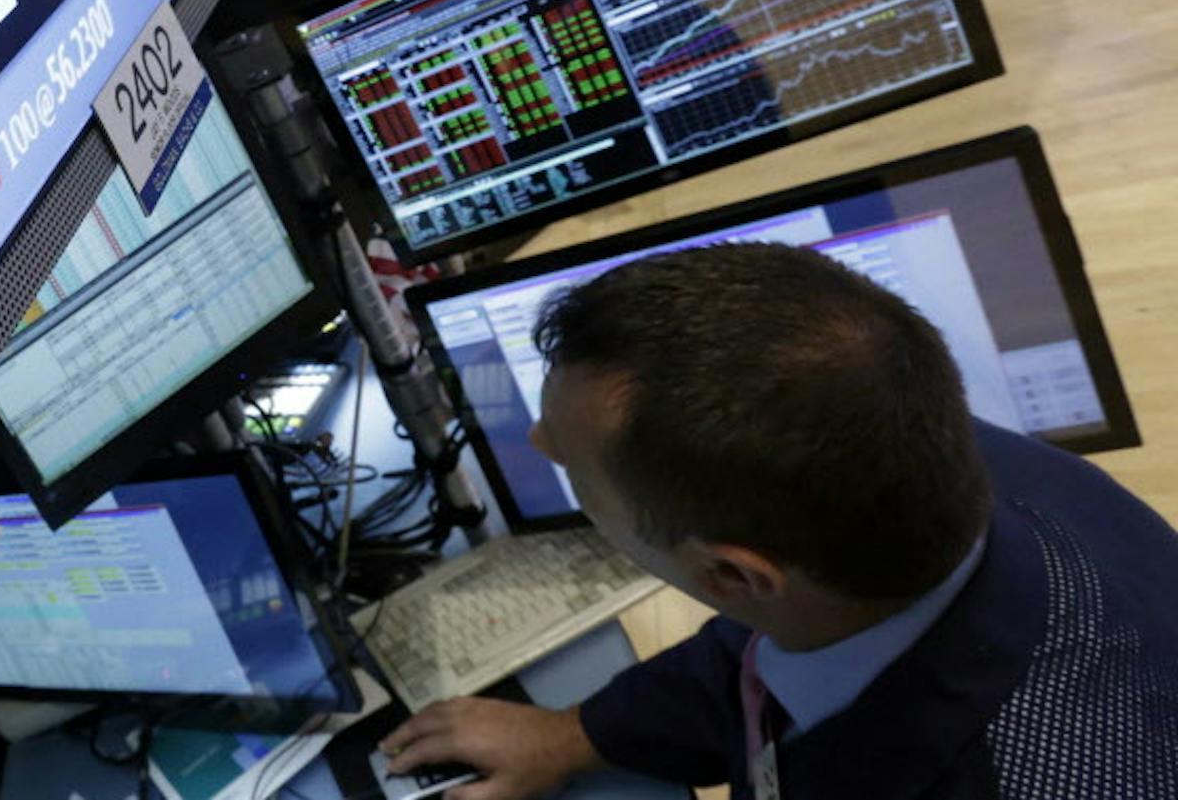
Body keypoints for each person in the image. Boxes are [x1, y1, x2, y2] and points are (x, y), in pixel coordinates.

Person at [380, 243, 1178, 799]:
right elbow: (765, 645)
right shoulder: (915, 452)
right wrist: (571, 735)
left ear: (731, 573)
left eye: (574, 474)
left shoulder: (1030, 774)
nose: (539, 443)